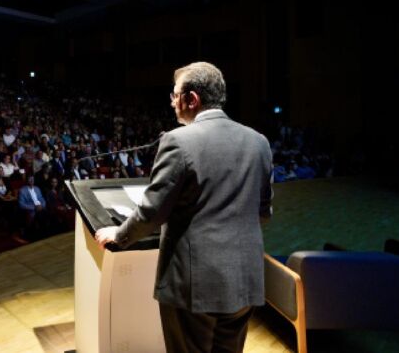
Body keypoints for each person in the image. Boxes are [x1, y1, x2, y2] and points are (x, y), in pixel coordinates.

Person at [95, 62, 273, 353]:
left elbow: (152, 213)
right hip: (245, 280)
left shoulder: (178, 141)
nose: (172, 102)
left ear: (192, 99)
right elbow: (263, 213)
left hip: (195, 287)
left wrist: (119, 235)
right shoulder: (259, 142)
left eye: (175, 95)